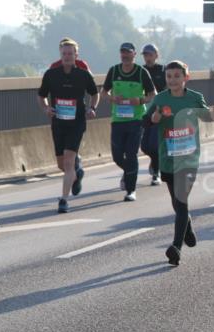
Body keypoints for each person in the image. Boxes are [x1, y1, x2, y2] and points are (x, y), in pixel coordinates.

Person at [144, 61, 214, 265]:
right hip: (168, 158)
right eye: (169, 76)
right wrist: (155, 117)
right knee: (178, 203)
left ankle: (176, 247)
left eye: (177, 76)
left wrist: (213, 115)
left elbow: (206, 116)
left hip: (189, 158)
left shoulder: (194, 98)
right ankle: (187, 226)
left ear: (186, 77)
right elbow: (145, 121)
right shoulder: (160, 98)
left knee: (181, 198)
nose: (172, 80)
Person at [37, 38, 99, 213]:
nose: (67, 56)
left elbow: (95, 94)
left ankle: (64, 199)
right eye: (64, 53)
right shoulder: (51, 74)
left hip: (77, 122)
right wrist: (46, 108)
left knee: (69, 161)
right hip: (58, 122)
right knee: (61, 164)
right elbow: (41, 96)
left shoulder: (83, 74)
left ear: (76, 55)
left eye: (70, 53)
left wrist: (92, 108)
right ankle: (76, 174)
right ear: (60, 54)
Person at [102, 42, 155, 201]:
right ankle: (129, 172)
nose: (125, 55)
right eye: (122, 53)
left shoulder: (141, 72)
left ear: (134, 55)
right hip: (118, 120)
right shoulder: (113, 71)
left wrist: (140, 100)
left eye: (128, 53)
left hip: (136, 120)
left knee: (131, 154)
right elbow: (103, 92)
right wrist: (112, 98)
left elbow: (153, 94)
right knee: (117, 156)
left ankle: (131, 190)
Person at [139, 43, 166, 186]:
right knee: (145, 146)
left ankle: (156, 173)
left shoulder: (163, 70)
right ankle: (156, 160)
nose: (148, 58)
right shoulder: (140, 71)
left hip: (160, 112)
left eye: (150, 55)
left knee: (154, 145)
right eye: (145, 55)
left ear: (156, 55)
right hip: (144, 111)